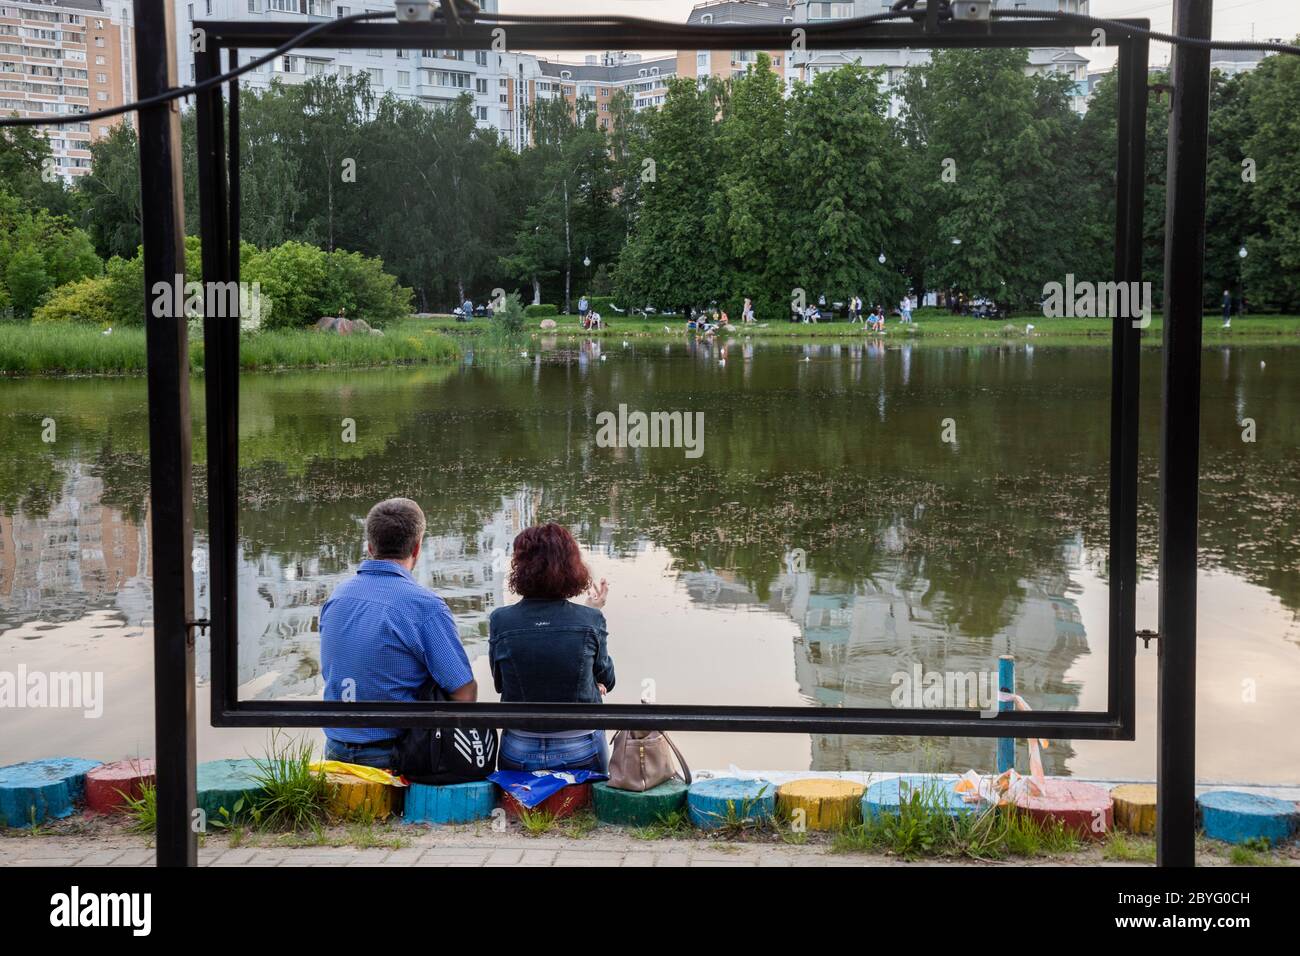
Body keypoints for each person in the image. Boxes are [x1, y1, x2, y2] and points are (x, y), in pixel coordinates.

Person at [320, 498, 477, 769]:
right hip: (394, 754)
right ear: (417, 547)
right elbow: (464, 693)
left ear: (370, 547)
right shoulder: (423, 605)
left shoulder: (337, 596)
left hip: (335, 749)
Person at [489, 523, 614, 773]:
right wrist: (591, 612)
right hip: (581, 747)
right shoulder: (590, 621)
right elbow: (607, 680)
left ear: (519, 568)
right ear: (572, 567)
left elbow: (500, 684)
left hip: (519, 748)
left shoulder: (501, 620)